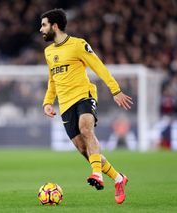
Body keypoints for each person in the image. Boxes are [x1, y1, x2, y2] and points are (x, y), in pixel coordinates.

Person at [40, 8, 133, 204]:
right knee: (84, 149)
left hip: (84, 95)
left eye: (44, 25)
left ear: (54, 26)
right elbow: (52, 80)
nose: (41, 29)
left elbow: (99, 66)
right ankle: (118, 178)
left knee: (85, 128)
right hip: (65, 105)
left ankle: (97, 174)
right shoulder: (48, 52)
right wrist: (48, 102)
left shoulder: (78, 45)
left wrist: (115, 90)